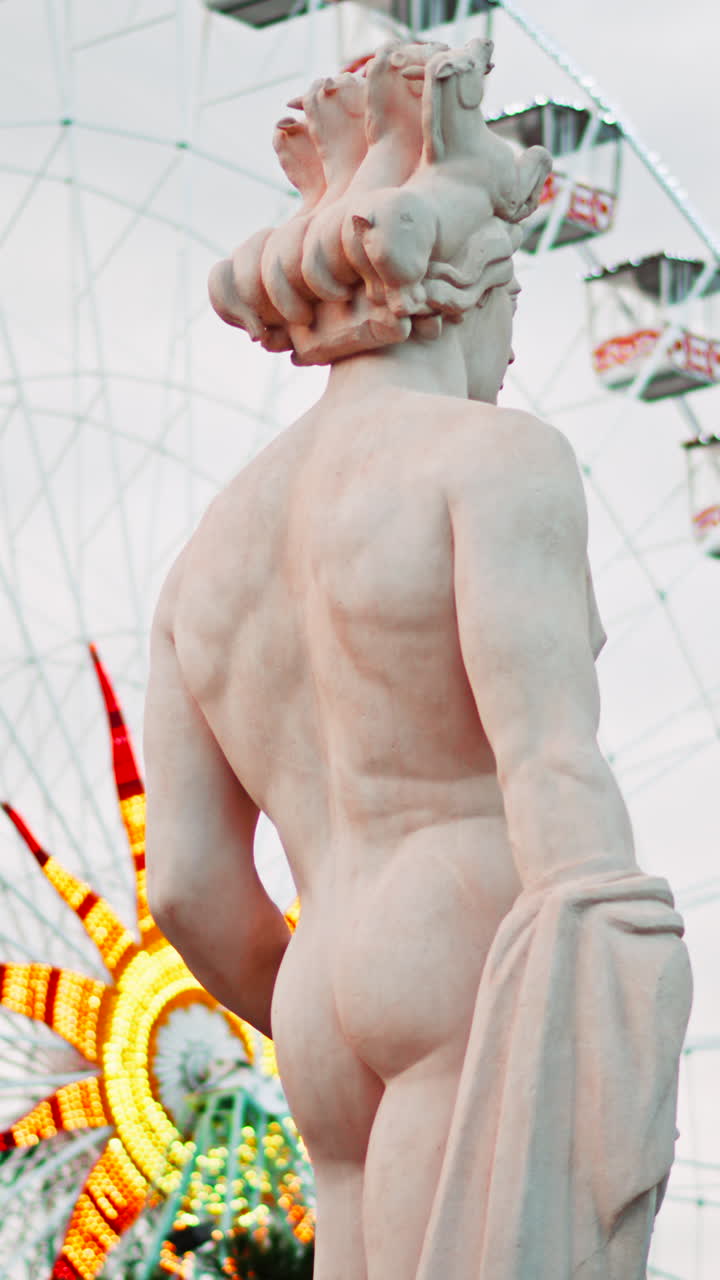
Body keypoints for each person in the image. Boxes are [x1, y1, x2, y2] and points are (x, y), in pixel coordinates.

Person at [144, 39, 691, 1280]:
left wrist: (329, 977)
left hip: (315, 988)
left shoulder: (205, 561)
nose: (511, 354)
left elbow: (185, 884)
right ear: (473, 287)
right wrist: (618, 991)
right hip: (467, 940)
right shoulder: (492, 460)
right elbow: (548, 760)